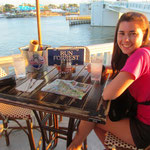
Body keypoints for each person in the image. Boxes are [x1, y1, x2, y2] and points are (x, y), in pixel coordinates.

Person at [67, 12, 150, 150]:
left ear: (144, 34)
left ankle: (75, 145)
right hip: (141, 117)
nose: (126, 39)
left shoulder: (140, 55)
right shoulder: (145, 52)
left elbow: (108, 94)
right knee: (96, 120)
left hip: (144, 129)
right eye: (121, 33)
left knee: (92, 116)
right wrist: (105, 68)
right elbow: (124, 70)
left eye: (133, 33)